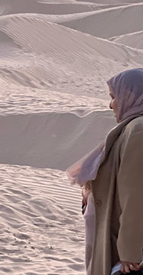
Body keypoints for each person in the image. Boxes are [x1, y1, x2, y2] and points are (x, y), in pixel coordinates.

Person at [67, 68, 143, 275]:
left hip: (127, 252)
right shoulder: (130, 128)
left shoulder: (138, 130)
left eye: (113, 97)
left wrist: (130, 252)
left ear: (132, 96)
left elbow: (136, 195)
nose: (111, 104)